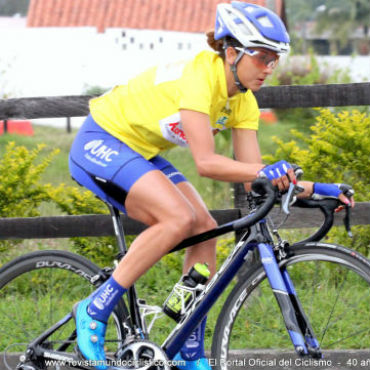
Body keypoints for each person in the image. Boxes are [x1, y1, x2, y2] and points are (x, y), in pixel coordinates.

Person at [69, 2, 354, 370]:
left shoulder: (244, 101)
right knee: (176, 218)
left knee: (205, 230)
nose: (270, 68)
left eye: (275, 59)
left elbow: (255, 175)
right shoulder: (200, 79)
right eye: (262, 57)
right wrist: (269, 170)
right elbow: (206, 163)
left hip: (141, 150)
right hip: (102, 138)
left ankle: (189, 346)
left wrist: (319, 189)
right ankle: (94, 309)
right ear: (232, 52)